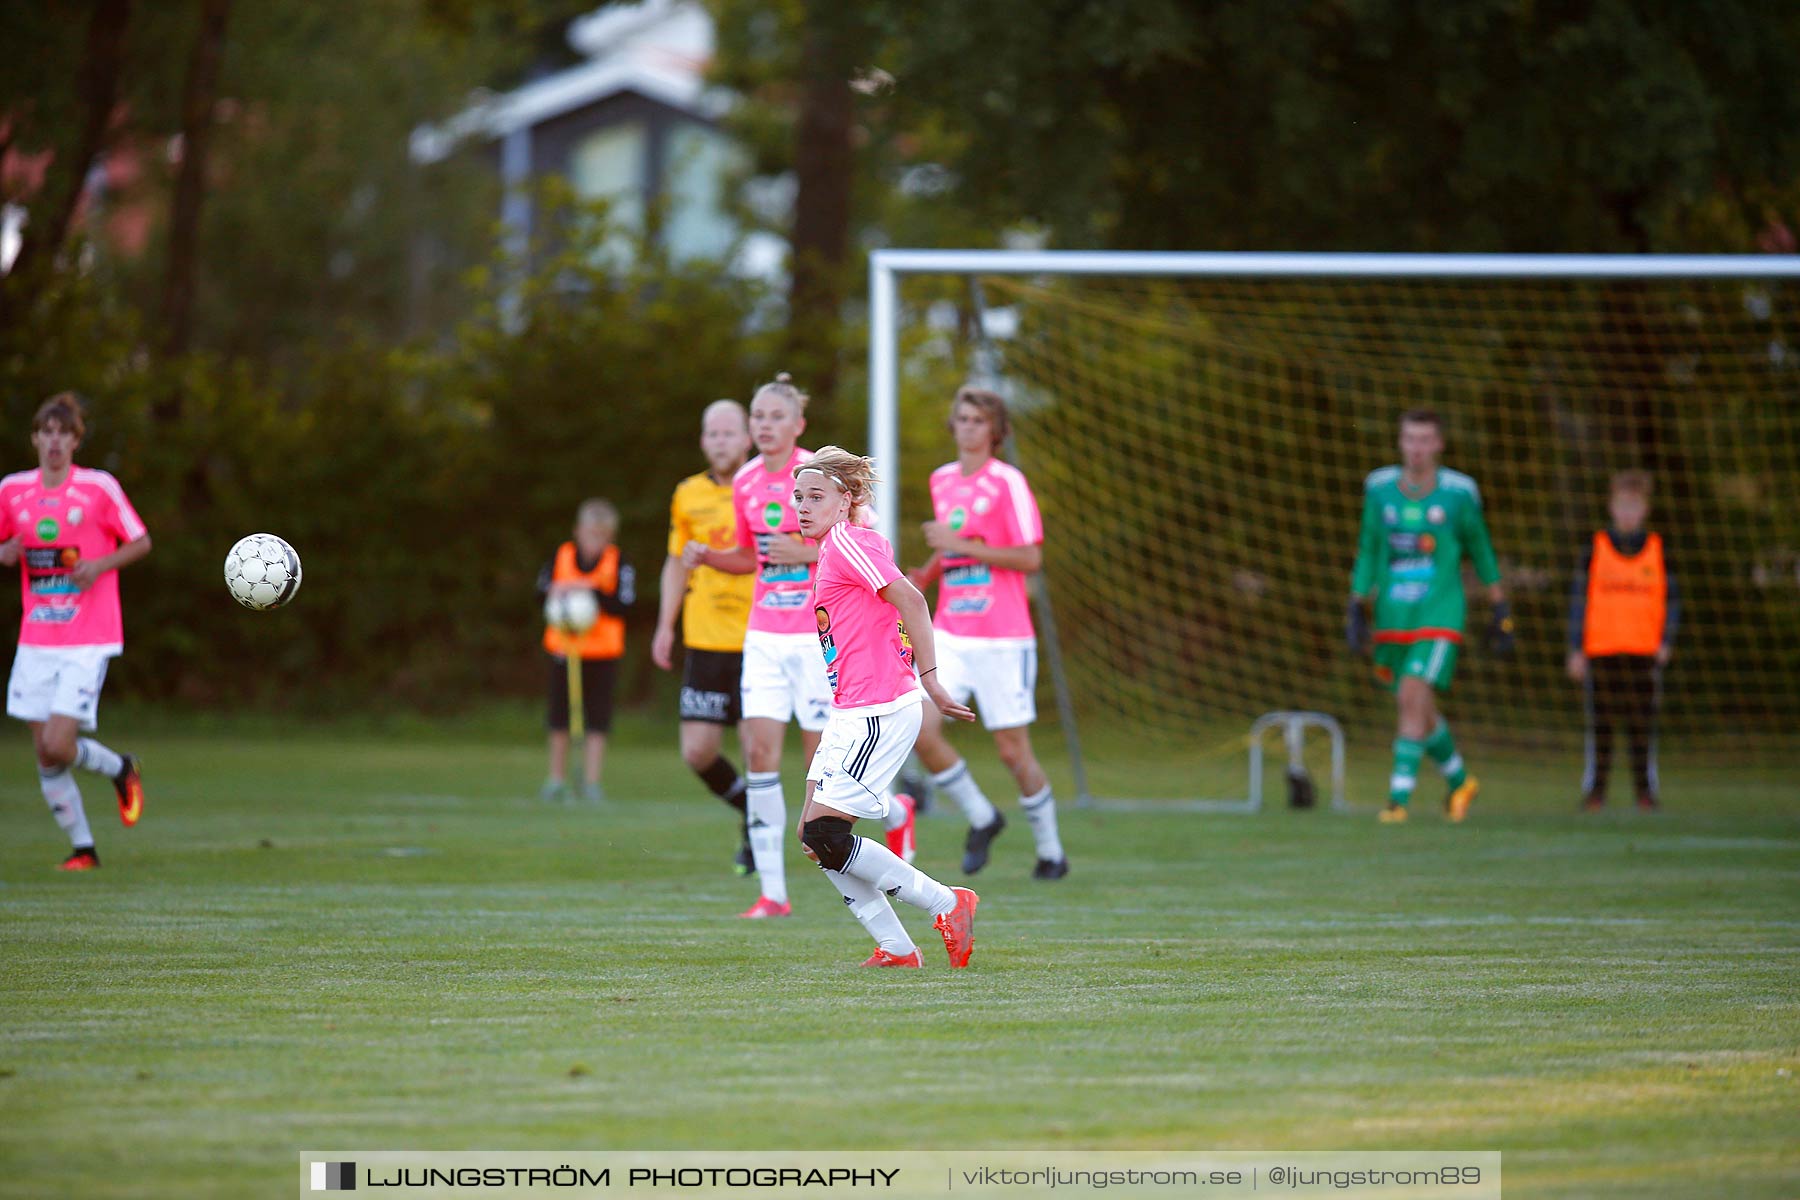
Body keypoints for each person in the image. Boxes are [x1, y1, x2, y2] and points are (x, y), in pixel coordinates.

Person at [792, 446, 981, 967]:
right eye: (798, 497)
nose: (803, 506)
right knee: (812, 837)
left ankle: (949, 903)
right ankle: (897, 948)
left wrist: (933, 681)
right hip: (849, 709)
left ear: (843, 501)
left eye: (816, 497)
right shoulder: (839, 545)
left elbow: (913, 600)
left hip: (880, 708)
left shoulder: (848, 542)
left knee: (826, 833)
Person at [906, 386, 1068, 879]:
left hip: (1002, 636)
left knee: (1012, 752)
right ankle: (982, 816)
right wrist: (926, 575)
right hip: (952, 630)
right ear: (952, 425)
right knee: (915, 724)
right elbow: (954, 548)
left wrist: (961, 545)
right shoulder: (942, 480)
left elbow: (1029, 558)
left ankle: (1051, 852)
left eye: (979, 420)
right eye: (962, 418)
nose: (969, 427)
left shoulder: (1008, 483)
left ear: (996, 431)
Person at [0, 392, 151, 870]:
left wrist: (100, 564)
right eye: (47, 432)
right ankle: (84, 850)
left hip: (88, 636)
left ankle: (120, 768)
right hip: (36, 639)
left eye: (64, 433)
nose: (54, 442)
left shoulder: (99, 488)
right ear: (35, 438)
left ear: (76, 441)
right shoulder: (12, 491)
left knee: (59, 745)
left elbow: (141, 540)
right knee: (45, 756)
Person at [1347, 409, 1509, 823]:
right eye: (1409, 439)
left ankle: (1397, 800)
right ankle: (1460, 782)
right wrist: (1356, 602)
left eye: (1424, 440)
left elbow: (1481, 548)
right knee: (1420, 706)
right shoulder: (1380, 489)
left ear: (1438, 444)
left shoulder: (1457, 494)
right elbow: (1369, 548)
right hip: (1393, 615)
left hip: (1440, 613)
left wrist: (1500, 606)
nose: (1416, 449)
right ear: (1400, 442)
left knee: (1410, 695)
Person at [651, 399, 755, 870]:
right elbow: (676, 562)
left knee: (760, 752)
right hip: (706, 638)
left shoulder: (763, 488)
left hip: (759, 639)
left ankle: (761, 846)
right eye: (712, 433)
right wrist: (664, 625)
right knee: (697, 750)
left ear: (747, 438)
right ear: (702, 440)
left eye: (729, 432)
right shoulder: (688, 494)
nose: (720, 441)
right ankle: (752, 812)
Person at [1566, 470, 1677, 811]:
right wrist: (1575, 648)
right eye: (1622, 504)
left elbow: (1672, 600)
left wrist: (1666, 640)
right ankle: (1596, 792)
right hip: (1602, 649)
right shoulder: (1596, 548)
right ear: (1612, 507)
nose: (1628, 512)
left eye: (1635, 505)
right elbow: (1579, 600)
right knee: (1600, 726)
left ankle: (1645, 792)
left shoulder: (1658, 549)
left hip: (1644, 652)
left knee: (1642, 727)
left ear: (1645, 509)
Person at [537, 498, 634, 803]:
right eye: (590, 534)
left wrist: (589, 591)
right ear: (578, 531)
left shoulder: (619, 563)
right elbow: (541, 593)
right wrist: (556, 592)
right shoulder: (561, 556)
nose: (595, 541)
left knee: (597, 719)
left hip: (602, 652)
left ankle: (592, 781)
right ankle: (556, 778)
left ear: (610, 537)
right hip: (565, 651)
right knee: (559, 717)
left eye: (602, 536)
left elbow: (624, 604)